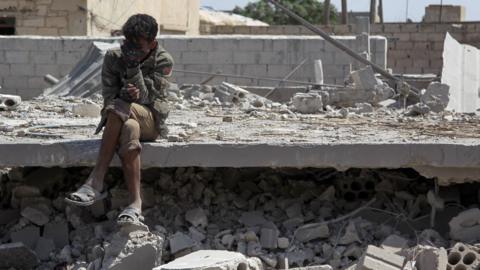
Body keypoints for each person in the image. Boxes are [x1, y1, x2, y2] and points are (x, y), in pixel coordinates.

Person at [65, 14, 173, 225]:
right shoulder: (114, 57)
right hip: (123, 117)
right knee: (128, 126)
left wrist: (133, 68)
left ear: (152, 43)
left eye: (138, 45)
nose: (131, 49)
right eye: (128, 43)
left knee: (120, 108)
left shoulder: (163, 60)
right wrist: (124, 94)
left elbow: (148, 98)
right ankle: (135, 204)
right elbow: (108, 98)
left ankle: (96, 180)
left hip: (151, 120)